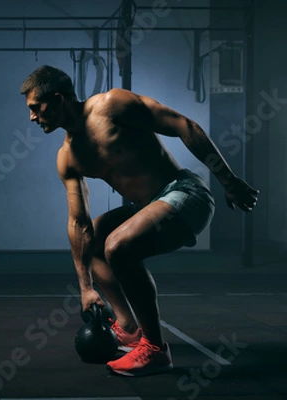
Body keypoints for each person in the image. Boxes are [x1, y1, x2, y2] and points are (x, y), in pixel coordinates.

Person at [20, 65, 259, 377]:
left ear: (58, 98)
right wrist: (85, 288)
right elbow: (79, 224)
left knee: (118, 246)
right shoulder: (67, 157)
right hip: (150, 205)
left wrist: (228, 180)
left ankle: (156, 351)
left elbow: (184, 125)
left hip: (186, 195)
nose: (32, 117)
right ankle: (129, 328)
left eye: (36, 108)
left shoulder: (111, 105)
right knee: (94, 242)